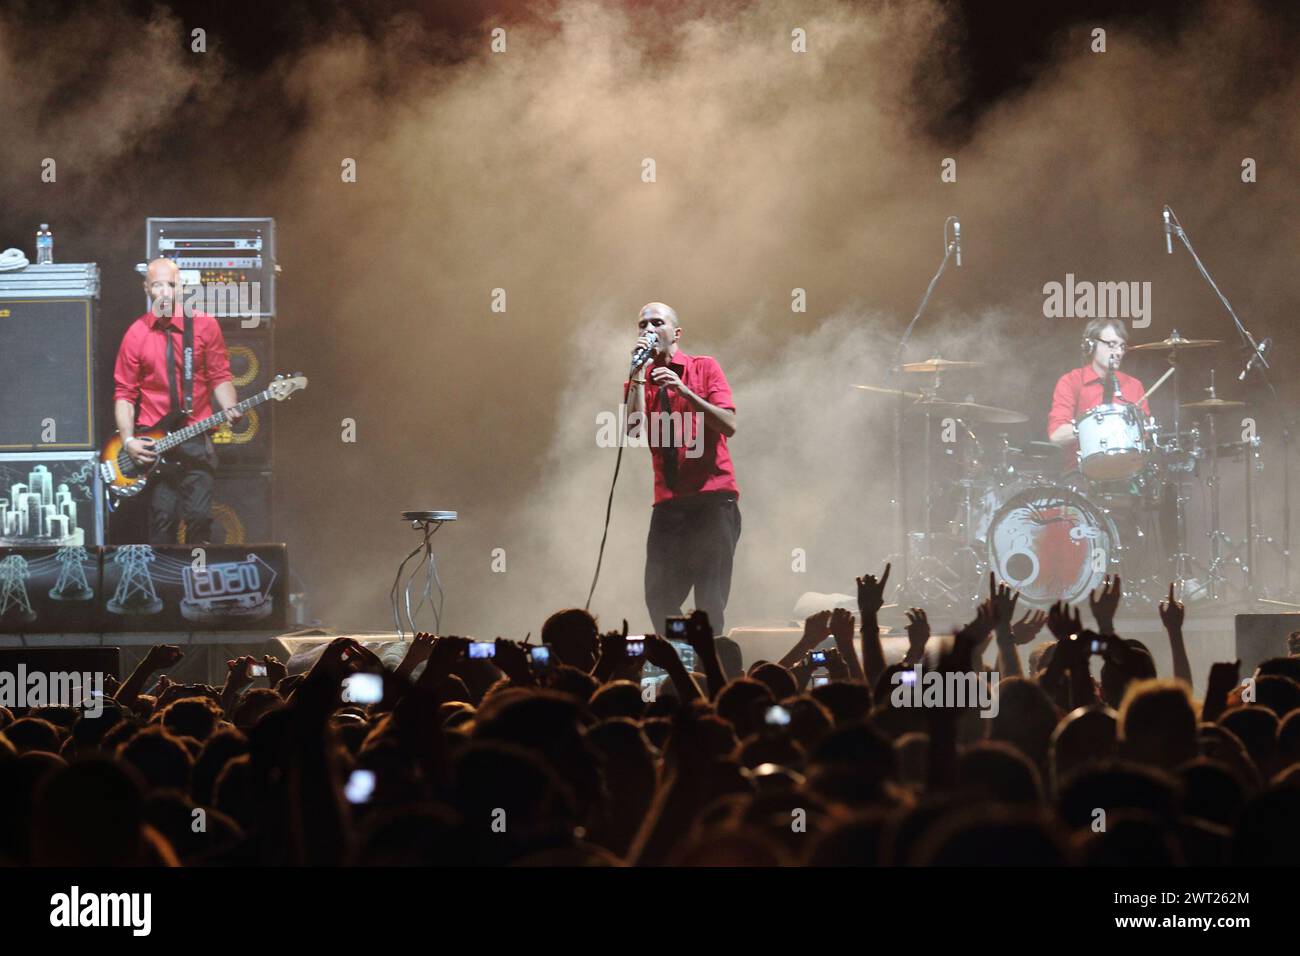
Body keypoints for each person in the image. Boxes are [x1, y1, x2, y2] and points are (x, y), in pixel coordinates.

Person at [624, 302, 740, 634]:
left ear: (675, 333)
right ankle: (682, 663)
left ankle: (710, 668)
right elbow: (632, 430)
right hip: (669, 504)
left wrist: (684, 391)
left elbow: (729, 424)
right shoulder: (640, 381)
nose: (647, 328)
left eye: (656, 322)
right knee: (657, 596)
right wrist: (634, 377)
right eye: (641, 324)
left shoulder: (704, 367)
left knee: (709, 600)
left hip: (711, 501)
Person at [112, 257, 242, 544]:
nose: (165, 292)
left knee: (199, 518)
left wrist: (229, 405)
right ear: (146, 288)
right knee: (162, 520)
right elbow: (124, 393)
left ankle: (196, 583)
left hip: (196, 436)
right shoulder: (136, 335)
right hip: (156, 444)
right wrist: (128, 440)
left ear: (180, 287)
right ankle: (164, 587)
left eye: (171, 284)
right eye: (157, 285)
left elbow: (220, 375)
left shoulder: (205, 326)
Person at [1048, 317, 1150, 453]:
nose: (1119, 352)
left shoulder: (1134, 385)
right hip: (1081, 470)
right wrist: (1092, 426)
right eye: (1112, 344)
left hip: (1129, 467)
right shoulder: (1071, 381)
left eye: (1122, 346)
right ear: (1091, 345)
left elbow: (1146, 435)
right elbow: (1056, 435)